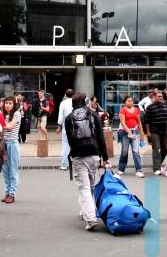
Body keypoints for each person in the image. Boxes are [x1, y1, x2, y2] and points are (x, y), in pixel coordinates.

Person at [64, 92, 110, 231]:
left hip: (78, 155)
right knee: (89, 185)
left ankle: (90, 218)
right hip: (94, 154)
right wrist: (105, 157)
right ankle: (85, 211)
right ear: (85, 101)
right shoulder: (93, 114)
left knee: (84, 187)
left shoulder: (68, 118)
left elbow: (70, 141)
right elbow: (101, 138)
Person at [117, 95, 146, 178]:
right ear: (125, 102)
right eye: (128, 101)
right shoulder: (122, 111)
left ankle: (139, 170)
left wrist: (142, 134)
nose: (130, 102)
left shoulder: (136, 110)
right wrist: (129, 133)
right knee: (124, 151)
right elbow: (123, 123)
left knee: (136, 151)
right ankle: (121, 168)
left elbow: (139, 122)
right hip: (124, 132)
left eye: (131, 100)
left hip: (135, 131)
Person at [143, 90, 167, 176]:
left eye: (161, 96)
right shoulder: (150, 107)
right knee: (156, 149)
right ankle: (156, 168)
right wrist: (147, 132)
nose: (160, 97)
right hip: (154, 131)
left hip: (164, 131)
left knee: (165, 149)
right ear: (154, 97)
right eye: (158, 96)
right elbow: (146, 121)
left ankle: (158, 164)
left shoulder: (166, 105)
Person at [1, 96, 21, 203]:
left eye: (10, 103)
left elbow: (10, 127)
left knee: (13, 170)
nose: (7, 105)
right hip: (3, 144)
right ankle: (7, 192)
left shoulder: (16, 114)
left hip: (12, 143)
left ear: (14, 104)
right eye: (6, 103)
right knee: (5, 170)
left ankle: (12, 194)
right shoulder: (3, 114)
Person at [56, 88, 74, 171]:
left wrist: (59, 126)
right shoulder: (75, 102)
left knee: (65, 146)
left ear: (66, 95)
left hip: (66, 128)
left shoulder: (63, 103)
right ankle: (76, 163)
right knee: (75, 146)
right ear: (73, 94)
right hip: (75, 127)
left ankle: (64, 165)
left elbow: (60, 116)